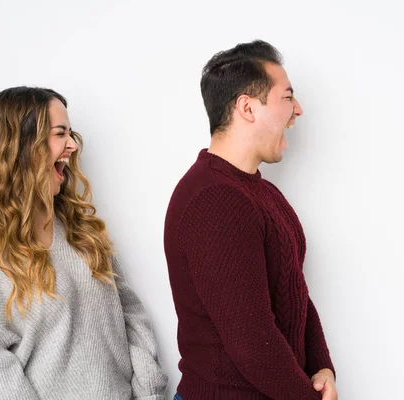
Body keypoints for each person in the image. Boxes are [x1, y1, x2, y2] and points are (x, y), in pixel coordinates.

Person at [0, 87, 167, 400]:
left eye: (71, 134)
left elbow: (128, 313)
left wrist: (149, 393)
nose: (72, 146)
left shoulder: (77, 229)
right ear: (20, 144)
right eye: (60, 134)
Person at [164, 40, 337, 399]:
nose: (298, 110)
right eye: (287, 97)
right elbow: (251, 341)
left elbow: (294, 291)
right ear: (247, 107)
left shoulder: (258, 192)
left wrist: (321, 369)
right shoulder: (215, 199)